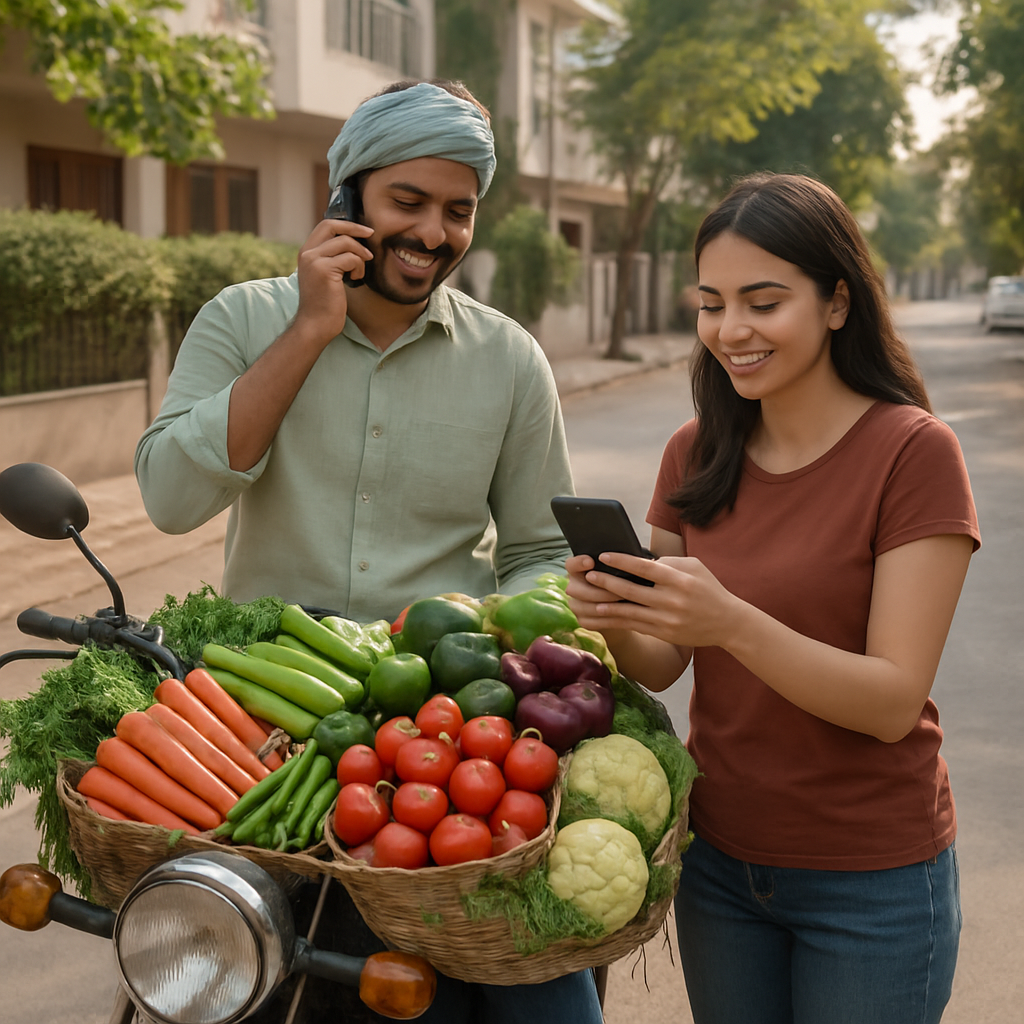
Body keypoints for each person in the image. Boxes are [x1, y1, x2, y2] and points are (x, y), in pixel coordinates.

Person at [135, 80, 602, 1024]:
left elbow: (540, 552)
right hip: (250, 733)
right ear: (345, 197)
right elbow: (170, 498)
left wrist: (522, 643)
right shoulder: (242, 320)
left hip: (439, 744)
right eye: (408, 203)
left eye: (458, 210)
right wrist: (310, 332)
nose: (434, 233)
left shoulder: (510, 362)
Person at [564, 172, 980, 1024]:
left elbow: (892, 700)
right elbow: (665, 662)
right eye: (711, 303)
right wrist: (613, 614)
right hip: (720, 868)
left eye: (763, 300)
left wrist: (732, 621)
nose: (731, 330)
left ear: (836, 303)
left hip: (872, 885)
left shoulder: (913, 452)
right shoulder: (697, 450)